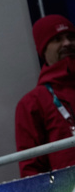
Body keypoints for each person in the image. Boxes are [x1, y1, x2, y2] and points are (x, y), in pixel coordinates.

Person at [16, 14, 75, 177]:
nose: (67, 43)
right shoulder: (32, 103)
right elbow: (31, 168)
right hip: (68, 190)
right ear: (43, 49)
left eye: (71, 37)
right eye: (57, 39)